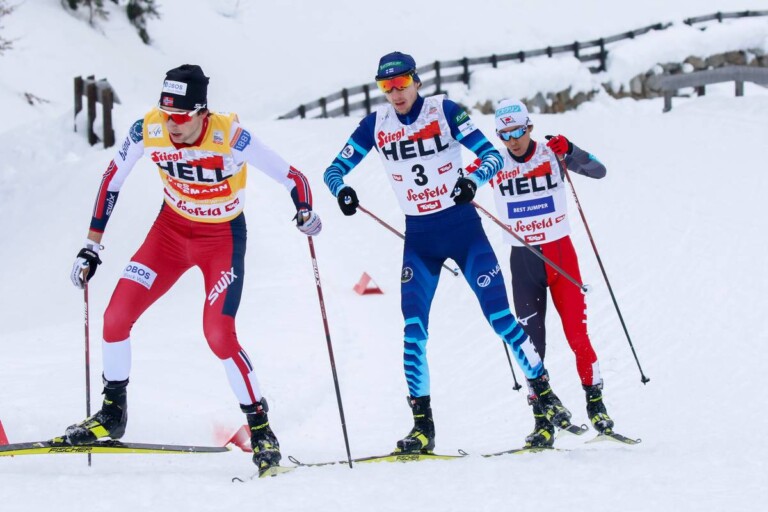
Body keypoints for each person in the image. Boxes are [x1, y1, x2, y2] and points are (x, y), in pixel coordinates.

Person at [64, 64, 322, 473]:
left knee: (218, 333)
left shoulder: (230, 135)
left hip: (221, 239)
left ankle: (261, 428)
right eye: (167, 114)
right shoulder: (147, 129)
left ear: (203, 112)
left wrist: (304, 210)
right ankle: (112, 413)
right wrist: (91, 245)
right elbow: (112, 178)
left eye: (182, 117)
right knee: (115, 317)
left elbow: (293, 177)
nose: (172, 125)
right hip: (168, 234)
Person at [323, 52, 572, 454]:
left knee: (500, 319)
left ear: (416, 81)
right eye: (386, 86)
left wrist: (472, 180)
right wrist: (342, 191)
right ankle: (423, 427)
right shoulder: (376, 124)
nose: (395, 93)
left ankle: (545, 397)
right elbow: (332, 171)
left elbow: (492, 155)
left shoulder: (445, 111)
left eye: (402, 83)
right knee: (413, 331)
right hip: (420, 241)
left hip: (464, 232)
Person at [485, 98, 614, 445]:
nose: (512, 140)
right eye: (504, 135)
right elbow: (459, 183)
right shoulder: (494, 162)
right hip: (523, 262)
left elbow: (599, 170)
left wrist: (571, 149)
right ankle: (542, 420)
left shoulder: (552, 154)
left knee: (577, 336)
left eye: (517, 131)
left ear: (529, 127)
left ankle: (596, 405)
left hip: (561, 257)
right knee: (531, 345)